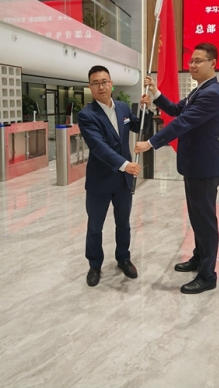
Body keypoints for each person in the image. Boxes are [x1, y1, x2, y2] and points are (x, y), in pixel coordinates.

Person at [134, 43, 219, 295]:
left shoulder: (211, 94)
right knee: (197, 217)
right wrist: (155, 92)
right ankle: (199, 258)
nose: (192, 65)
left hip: (204, 167)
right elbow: (176, 110)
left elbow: (182, 122)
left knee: (205, 222)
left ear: (213, 63)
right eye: (191, 61)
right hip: (194, 166)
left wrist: (151, 143)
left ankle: (207, 275)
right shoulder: (200, 89)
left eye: (198, 61)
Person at [78, 65, 142, 287]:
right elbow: (99, 147)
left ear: (111, 83)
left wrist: (147, 108)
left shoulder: (123, 108)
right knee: (95, 227)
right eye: (96, 83)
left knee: (123, 223)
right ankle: (95, 265)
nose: (101, 87)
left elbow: (138, 126)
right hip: (100, 181)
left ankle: (123, 258)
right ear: (90, 87)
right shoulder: (86, 115)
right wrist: (125, 165)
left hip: (123, 181)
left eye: (104, 82)